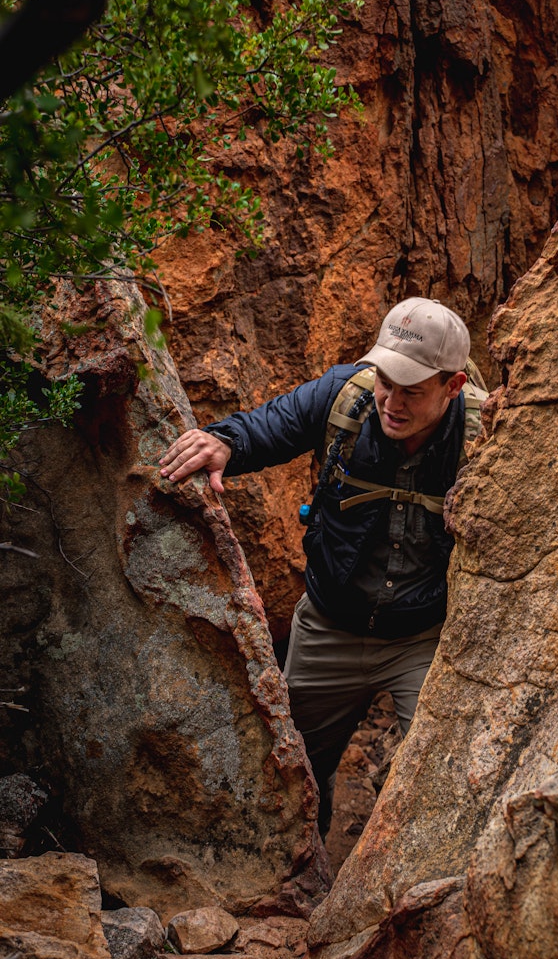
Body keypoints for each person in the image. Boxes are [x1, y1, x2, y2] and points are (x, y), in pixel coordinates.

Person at [160, 297, 472, 836]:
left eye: (412, 390)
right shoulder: (346, 395)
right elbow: (275, 424)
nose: (391, 402)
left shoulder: (486, 440)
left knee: (442, 776)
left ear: (454, 385)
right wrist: (224, 441)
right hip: (329, 626)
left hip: (424, 640)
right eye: (386, 381)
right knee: (292, 773)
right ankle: (310, 876)